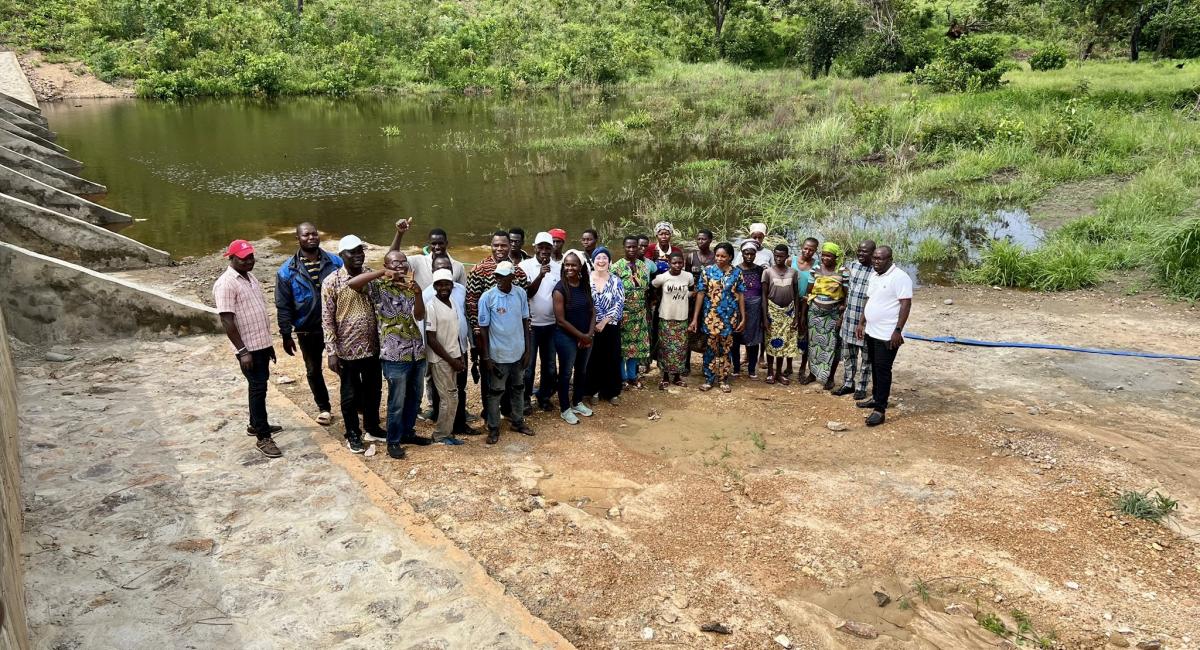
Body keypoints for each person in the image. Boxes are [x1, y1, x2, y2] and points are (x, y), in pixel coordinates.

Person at [347, 248, 431, 459]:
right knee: (396, 401)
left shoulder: (411, 286)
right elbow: (353, 284)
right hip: (394, 355)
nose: (400, 265)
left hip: (417, 352)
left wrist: (419, 293)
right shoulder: (378, 287)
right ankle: (393, 441)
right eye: (395, 262)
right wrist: (381, 273)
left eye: (403, 262)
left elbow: (420, 316)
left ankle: (408, 433)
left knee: (414, 397)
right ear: (387, 265)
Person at [214, 240, 282, 458]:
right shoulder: (226, 283)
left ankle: (256, 424)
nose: (250, 261)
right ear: (231, 258)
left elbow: (258, 312)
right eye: (244, 258)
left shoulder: (250, 277)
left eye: (251, 257)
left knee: (260, 387)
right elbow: (227, 320)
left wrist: (268, 345)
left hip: (260, 344)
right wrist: (243, 351)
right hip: (248, 349)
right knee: (257, 389)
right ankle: (263, 437)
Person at [322, 235, 386, 454]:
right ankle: (352, 434)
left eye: (360, 251)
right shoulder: (331, 281)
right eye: (352, 252)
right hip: (346, 350)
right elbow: (327, 318)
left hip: (372, 346)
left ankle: (372, 426)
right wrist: (331, 351)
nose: (358, 255)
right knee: (349, 395)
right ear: (342, 255)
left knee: (373, 389)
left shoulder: (370, 275)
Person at [275, 222, 342, 426]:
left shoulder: (335, 262)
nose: (311, 238)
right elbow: (283, 305)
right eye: (306, 235)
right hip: (307, 328)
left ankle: (355, 402)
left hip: (338, 324)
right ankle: (324, 408)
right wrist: (286, 334)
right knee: (313, 370)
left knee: (345, 365)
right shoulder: (287, 271)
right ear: (298, 238)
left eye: (314, 234)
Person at [467, 231, 530, 422]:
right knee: (491, 379)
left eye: (504, 245)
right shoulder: (478, 270)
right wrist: (478, 337)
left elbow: (524, 307)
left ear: (510, 246)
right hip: (489, 338)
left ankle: (511, 412)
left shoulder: (518, 272)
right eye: (496, 245)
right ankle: (490, 416)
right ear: (491, 246)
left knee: (514, 379)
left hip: (514, 340)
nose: (500, 249)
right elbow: (471, 303)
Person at [478, 261, 534, 444]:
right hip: (498, 355)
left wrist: (528, 350)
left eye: (503, 276)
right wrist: (486, 356)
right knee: (496, 392)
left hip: (518, 352)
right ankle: (493, 427)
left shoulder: (520, 294)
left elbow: (526, 321)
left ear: (512, 277)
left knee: (518, 388)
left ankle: (517, 421)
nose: (499, 279)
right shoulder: (487, 297)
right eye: (497, 276)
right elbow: (483, 329)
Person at [856, 246, 912, 427]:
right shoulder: (874, 275)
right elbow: (869, 299)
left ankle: (880, 410)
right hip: (871, 330)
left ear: (890, 259)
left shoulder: (900, 277)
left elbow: (905, 304)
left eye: (880, 259)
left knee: (883, 369)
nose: (875, 262)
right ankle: (876, 397)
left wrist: (897, 330)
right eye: (874, 258)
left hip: (888, 334)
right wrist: (861, 322)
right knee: (874, 366)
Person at [421, 256, 478, 437]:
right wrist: (450, 360)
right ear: (434, 283)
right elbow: (430, 337)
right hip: (441, 356)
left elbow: (461, 325)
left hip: (457, 351)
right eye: (440, 284)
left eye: (447, 284)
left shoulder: (456, 298)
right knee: (445, 395)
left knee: (456, 391)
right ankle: (442, 431)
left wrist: (465, 352)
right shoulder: (429, 301)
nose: (444, 287)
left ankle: (456, 426)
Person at [690, 242, 745, 393]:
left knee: (726, 349)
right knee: (710, 349)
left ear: (730, 257)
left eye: (723, 256)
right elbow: (701, 294)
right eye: (717, 255)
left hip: (729, 317)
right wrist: (695, 318)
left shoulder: (737, 273)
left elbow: (740, 296)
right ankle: (708, 379)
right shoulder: (707, 271)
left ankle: (723, 379)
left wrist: (743, 318)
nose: (719, 258)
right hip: (711, 317)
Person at [518, 232, 562, 414]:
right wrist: (540, 275)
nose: (544, 251)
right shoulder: (524, 266)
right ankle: (526, 399)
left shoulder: (558, 268)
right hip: (531, 325)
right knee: (528, 366)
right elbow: (525, 293)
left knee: (550, 365)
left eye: (547, 247)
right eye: (541, 247)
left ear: (552, 248)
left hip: (552, 324)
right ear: (534, 247)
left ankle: (544, 397)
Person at [552, 250, 596, 424]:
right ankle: (565, 408)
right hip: (566, 337)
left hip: (585, 335)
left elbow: (592, 311)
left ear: (580, 267)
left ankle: (577, 402)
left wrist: (589, 334)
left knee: (582, 370)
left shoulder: (584, 285)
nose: (570, 267)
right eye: (567, 264)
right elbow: (560, 320)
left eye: (573, 265)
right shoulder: (559, 289)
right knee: (565, 373)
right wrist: (582, 336)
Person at [833, 240, 877, 400]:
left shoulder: (876, 272)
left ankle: (862, 387)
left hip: (866, 323)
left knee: (867, 358)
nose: (861, 254)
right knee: (848, 356)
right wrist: (841, 316)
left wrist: (864, 322)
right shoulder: (852, 266)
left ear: (873, 253)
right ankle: (848, 384)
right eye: (859, 250)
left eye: (865, 252)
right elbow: (846, 291)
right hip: (849, 319)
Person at [802, 242, 847, 389]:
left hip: (833, 315)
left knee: (832, 346)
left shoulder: (842, 272)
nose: (825, 258)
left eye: (829, 256)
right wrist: (803, 315)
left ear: (836, 257)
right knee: (814, 346)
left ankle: (830, 377)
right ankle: (813, 374)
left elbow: (847, 295)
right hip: (815, 314)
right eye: (823, 255)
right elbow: (809, 292)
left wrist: (841, 315)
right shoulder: (816, 269)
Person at [585, 247, 625, 404]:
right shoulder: (585, 279)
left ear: (609, 262)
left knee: (612, 358)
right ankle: (592, 391)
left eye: (604, 258)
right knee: (593, 358)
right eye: (598, 258)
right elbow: (583, 302)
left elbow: (619, 303)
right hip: (589, 326)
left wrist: (604, 321)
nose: (601, 261)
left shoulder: (616, 280)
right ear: (593, 261)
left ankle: (611, 392)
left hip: (610, 325)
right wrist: (593, 322)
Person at [613, 235, 652, 390]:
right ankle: (622, 378)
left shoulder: (643, 266)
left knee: (635, 347)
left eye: (634, 246)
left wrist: (647, 312)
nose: (631, 249)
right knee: (622, 348)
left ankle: (632, 376)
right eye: (628, 247)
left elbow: (646, 291)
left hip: (640, 313)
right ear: (624, 248)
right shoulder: (616, 267)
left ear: (638, 248)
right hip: (623, 313)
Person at [651, 251, 694, 389]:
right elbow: (653, 287)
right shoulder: (662, 277)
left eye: (680, 262)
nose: (677, 265)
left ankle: (676, 377)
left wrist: (690, 294)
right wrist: (658, 300)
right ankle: (664, 376)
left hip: (682, 317)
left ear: (683, 263)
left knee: (680, 349)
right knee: (665, 348)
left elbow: (692, 291)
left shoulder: (688, 276)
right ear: (669, 263)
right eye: (674, 262)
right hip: (666, 317)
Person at [762, 244, 800, 385]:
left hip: (788, 311)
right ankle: (770, 373)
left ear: (787, 256)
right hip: (773, 311)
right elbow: (764, 296)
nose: (778, 258)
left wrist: (796, 315)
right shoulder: (768, 272)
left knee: (783, 343)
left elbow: (796, 294)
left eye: (781, 256)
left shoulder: (793, 272)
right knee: (772, 342)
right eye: (776, 255)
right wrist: (765, 317)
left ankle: (779, 372)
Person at [390, 219, 467, 287]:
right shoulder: (418, 261)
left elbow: (462, 292)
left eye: (440, 243)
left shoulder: (458, 267)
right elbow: (391, 258)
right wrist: (399, 233)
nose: (437, 247)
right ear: (429, 244)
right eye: (433, 244)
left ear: (446, 243)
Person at [732, 240, 765, 380]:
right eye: (747, 253)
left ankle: (752, 369)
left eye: (752, 254)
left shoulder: (760, 270)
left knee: (753, 339)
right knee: (736, 337)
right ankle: (736, 368)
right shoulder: (735, 270)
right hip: (738, 306)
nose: (749, 256)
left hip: (755, 307)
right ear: (742, 254)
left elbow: (764, 291)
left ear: (755, 254)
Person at [685, 229, 716, 373]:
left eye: (703, 239)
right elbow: (686, 277)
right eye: (698, 239)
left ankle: (706, 364)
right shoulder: (691, 256)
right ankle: (686, 364)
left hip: (710, 299)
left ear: (710, 240)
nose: (700, 242)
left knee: (707, 331)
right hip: (692, 300)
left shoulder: (716, 258)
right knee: (689, 329)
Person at [790, 237, 819, 380]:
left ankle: (802, 366)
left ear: (815, 251)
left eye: (811, 250)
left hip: (808, 304)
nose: (808, 251)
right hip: (791, 303)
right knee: (790, 334)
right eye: (806, 248)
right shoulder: (791, 261)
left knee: (805, 335)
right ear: (802, 247)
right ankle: (789, 366)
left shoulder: (817, 266)